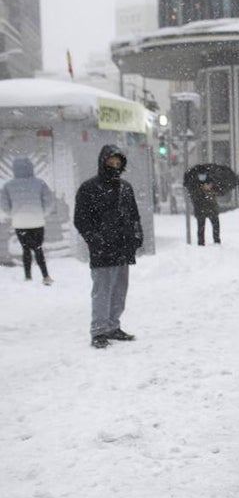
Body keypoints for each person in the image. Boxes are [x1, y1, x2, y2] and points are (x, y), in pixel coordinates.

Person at [73, 145, 144, 349]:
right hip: (102, 248)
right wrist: (94, 239)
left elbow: (134, 215)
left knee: (119, 289)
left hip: (122, 246)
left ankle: (113, 325)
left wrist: (137, 235)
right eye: (110, 162)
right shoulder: (89, 188)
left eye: (117, 163)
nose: (114, 166)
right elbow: (81, 219)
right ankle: (98, 330)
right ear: (102, 162)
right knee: (102, 290)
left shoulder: (125, 187)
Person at [1, 156, 55, 284]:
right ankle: (45, 276)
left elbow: (3, 204)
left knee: (25, 249)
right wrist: (43, 213)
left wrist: (13, 214)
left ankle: (28, 276)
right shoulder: (40, 183)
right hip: (37, 221)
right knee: (38, 248)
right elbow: (48, 202)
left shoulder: (8, 185)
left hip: (20, 222)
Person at [185, 168, 221, 245]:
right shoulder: (195, 186)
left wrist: (210, 190)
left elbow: (215, 195)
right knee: (201, 227)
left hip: (211, 209)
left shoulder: (211, 184)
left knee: (215, 225)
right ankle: (201, 242)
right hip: (201, 209)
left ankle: (216, 241)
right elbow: (195, 198)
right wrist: (204, 191)